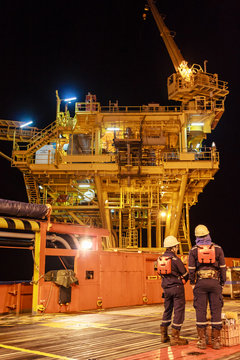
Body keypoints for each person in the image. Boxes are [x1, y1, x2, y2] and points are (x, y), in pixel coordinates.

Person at [188, 224, 226, 350]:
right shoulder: (218, 248)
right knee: (216, 311)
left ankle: (202, 341)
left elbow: (191, 269)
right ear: (208, 234)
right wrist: (221, 283)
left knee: (200, 311)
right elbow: (223, 268)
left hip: (200, 283)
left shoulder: (193, 250)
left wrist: (193, 283)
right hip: (215, 282)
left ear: (196, 237)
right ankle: (216, 342)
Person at [158, 235, 189, 345]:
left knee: (167, 310)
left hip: (166, 289)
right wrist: (182, 280)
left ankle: (164, 335)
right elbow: (185, 275)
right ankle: (175, 337)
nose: (177, 249)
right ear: (174, 247)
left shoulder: (160, 259)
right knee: (179, 311)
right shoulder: (176, 259)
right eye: (177, 247)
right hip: (177, 289)